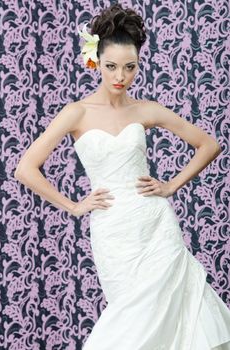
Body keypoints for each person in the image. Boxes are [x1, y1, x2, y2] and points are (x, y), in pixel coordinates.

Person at [14, 3, 230, 350]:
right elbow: (25, 168)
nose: (120, 76)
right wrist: (73, 205)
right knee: (132, 321)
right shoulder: (77, 113)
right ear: (96, 62)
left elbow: (209, 144)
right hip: (113, 232)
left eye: (130, 67)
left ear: (138, 65)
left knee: (180, 311)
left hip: (156, 226)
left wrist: (171, 185)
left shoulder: (146, 109)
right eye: (111, 66)